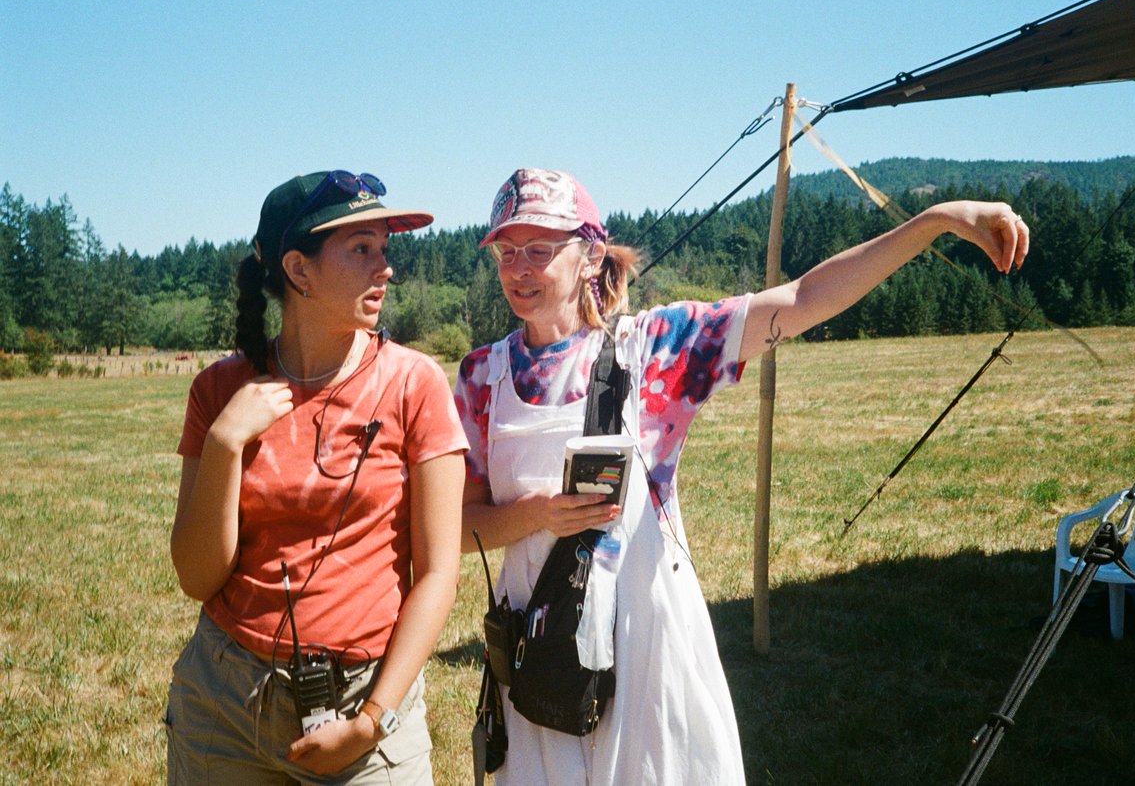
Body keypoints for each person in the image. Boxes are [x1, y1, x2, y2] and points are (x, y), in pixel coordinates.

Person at [454, 167, 1030, 784]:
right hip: (543, 666)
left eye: (539, 251)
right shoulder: (482, 376)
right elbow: (459, 530)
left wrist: (936, 220)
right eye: (506, 253)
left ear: (590, 255)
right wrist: (536, 515)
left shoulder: (654, 350)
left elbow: (806, 298)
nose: (518, 270)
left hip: (645, 648)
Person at [166, 170, 468, 784]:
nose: (385, 268)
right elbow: (199, 577)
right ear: (299, 271)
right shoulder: (220, 391)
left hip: (365, 703)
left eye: (384, 249)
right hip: (223, 705)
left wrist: (373, 719)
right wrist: (226, 442)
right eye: (361, 250)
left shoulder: (415, 384)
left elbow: (438, 573)